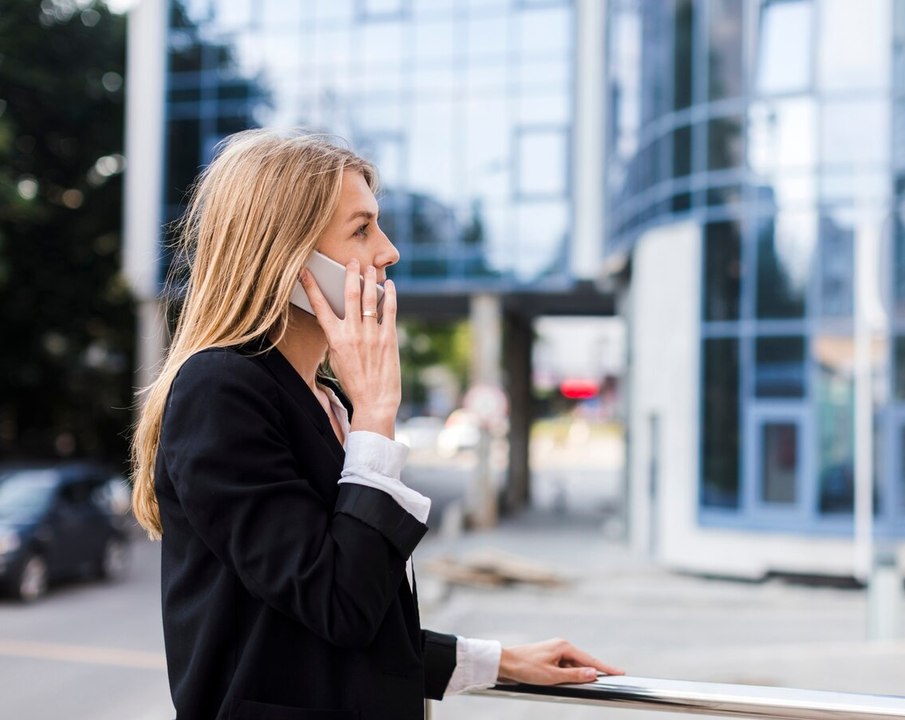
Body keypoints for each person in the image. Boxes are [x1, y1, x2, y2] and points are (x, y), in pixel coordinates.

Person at [130, 129, 624, 720]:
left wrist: (500, 662)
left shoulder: (322, 398)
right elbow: (338, 602)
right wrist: (376, 418)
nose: (388, 250)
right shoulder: (222, 389)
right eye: (362, 229)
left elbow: (335, 621)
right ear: (287, 254)